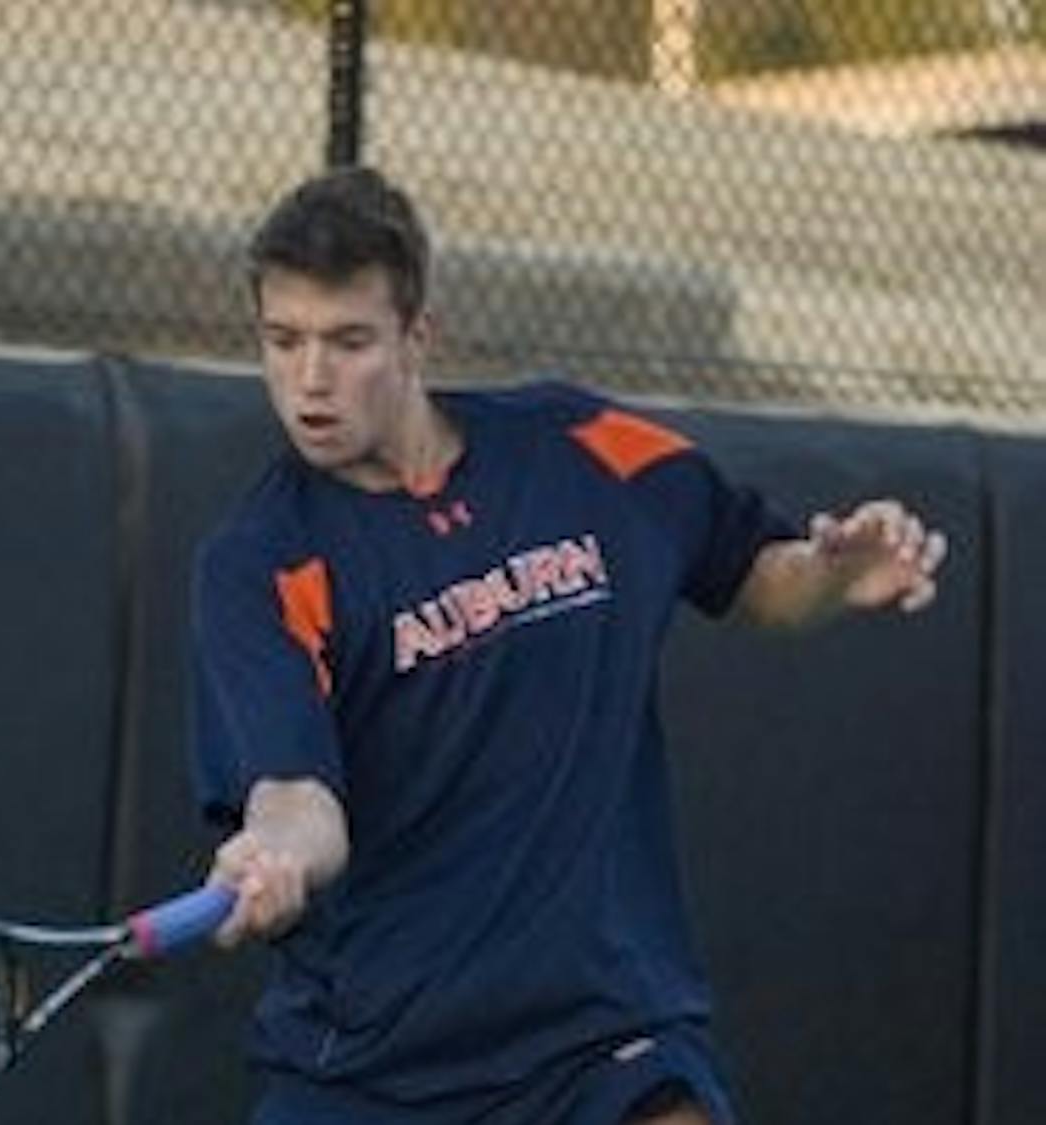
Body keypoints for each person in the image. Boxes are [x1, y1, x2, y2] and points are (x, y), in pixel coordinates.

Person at [187, 166, 946, 1125]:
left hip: (600, 1039)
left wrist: (834, 575)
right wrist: (274, 853)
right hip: (370, 1070)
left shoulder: (585, 448)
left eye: (348, 342)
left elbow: (754, 571)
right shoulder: (257, 564)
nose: (310, 381)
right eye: (282, 340)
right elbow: (299, 795)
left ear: (419, 337)